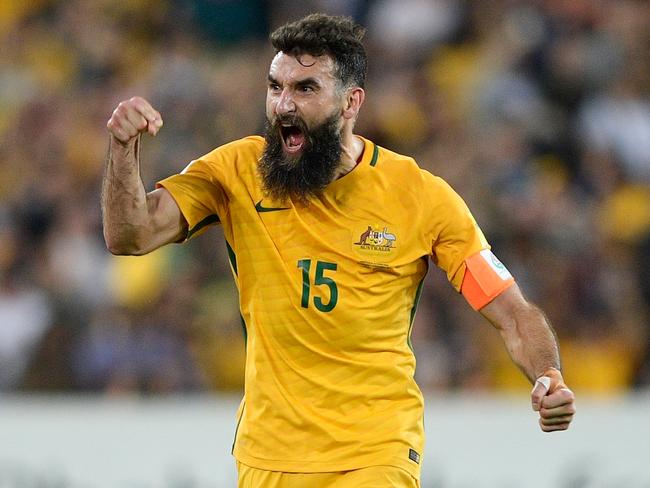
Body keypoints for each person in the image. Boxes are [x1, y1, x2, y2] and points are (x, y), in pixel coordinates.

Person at [102, 13, 575, 488]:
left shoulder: (419, 195)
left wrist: (548, 373)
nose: (284, 105)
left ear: (351, 103)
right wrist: (124, 151)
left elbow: (511, 312)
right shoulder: (235, 172)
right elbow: (131, 235)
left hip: (375, 452)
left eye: (305, 89)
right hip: (269, 456)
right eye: (275, 87)